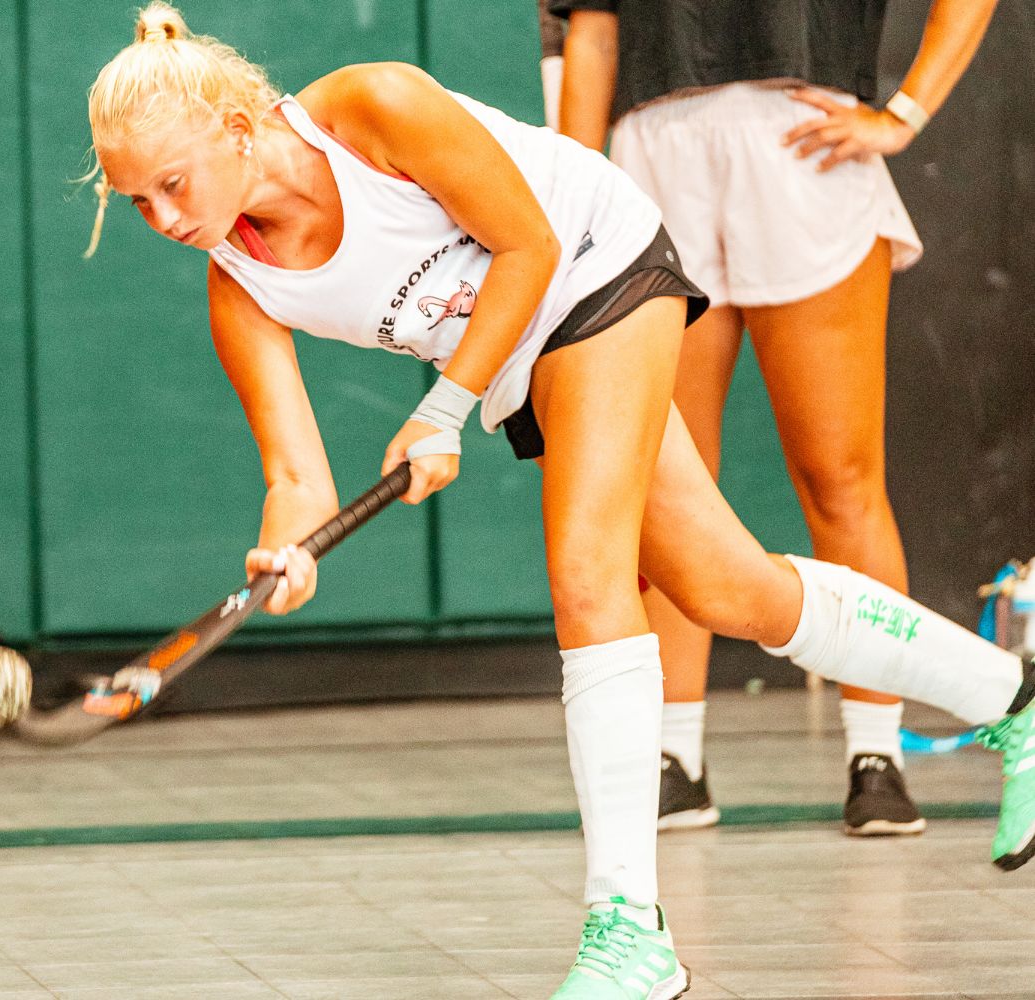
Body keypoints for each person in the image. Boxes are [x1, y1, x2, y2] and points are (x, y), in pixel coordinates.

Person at [83, 5, 1034, 996]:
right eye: (135, 202)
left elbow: (528, 246)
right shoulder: (238, 288)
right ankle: (1013, 698)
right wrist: (288, 548)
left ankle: (630, 931)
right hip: (522, 359)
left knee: (589, 575)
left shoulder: (372, 106)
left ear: (235, 131)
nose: (165, 219)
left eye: (170, 184)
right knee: (729, 586)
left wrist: (443, 412)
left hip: (593, 260)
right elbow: (295, 477)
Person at [554, 0, 1001, 838]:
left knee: (840, 478)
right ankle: (673, 759)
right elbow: (594, 28)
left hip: (803, 139)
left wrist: (903, 113)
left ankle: (877, 755)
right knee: (663, 488)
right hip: (651, 152)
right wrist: (573, 202)